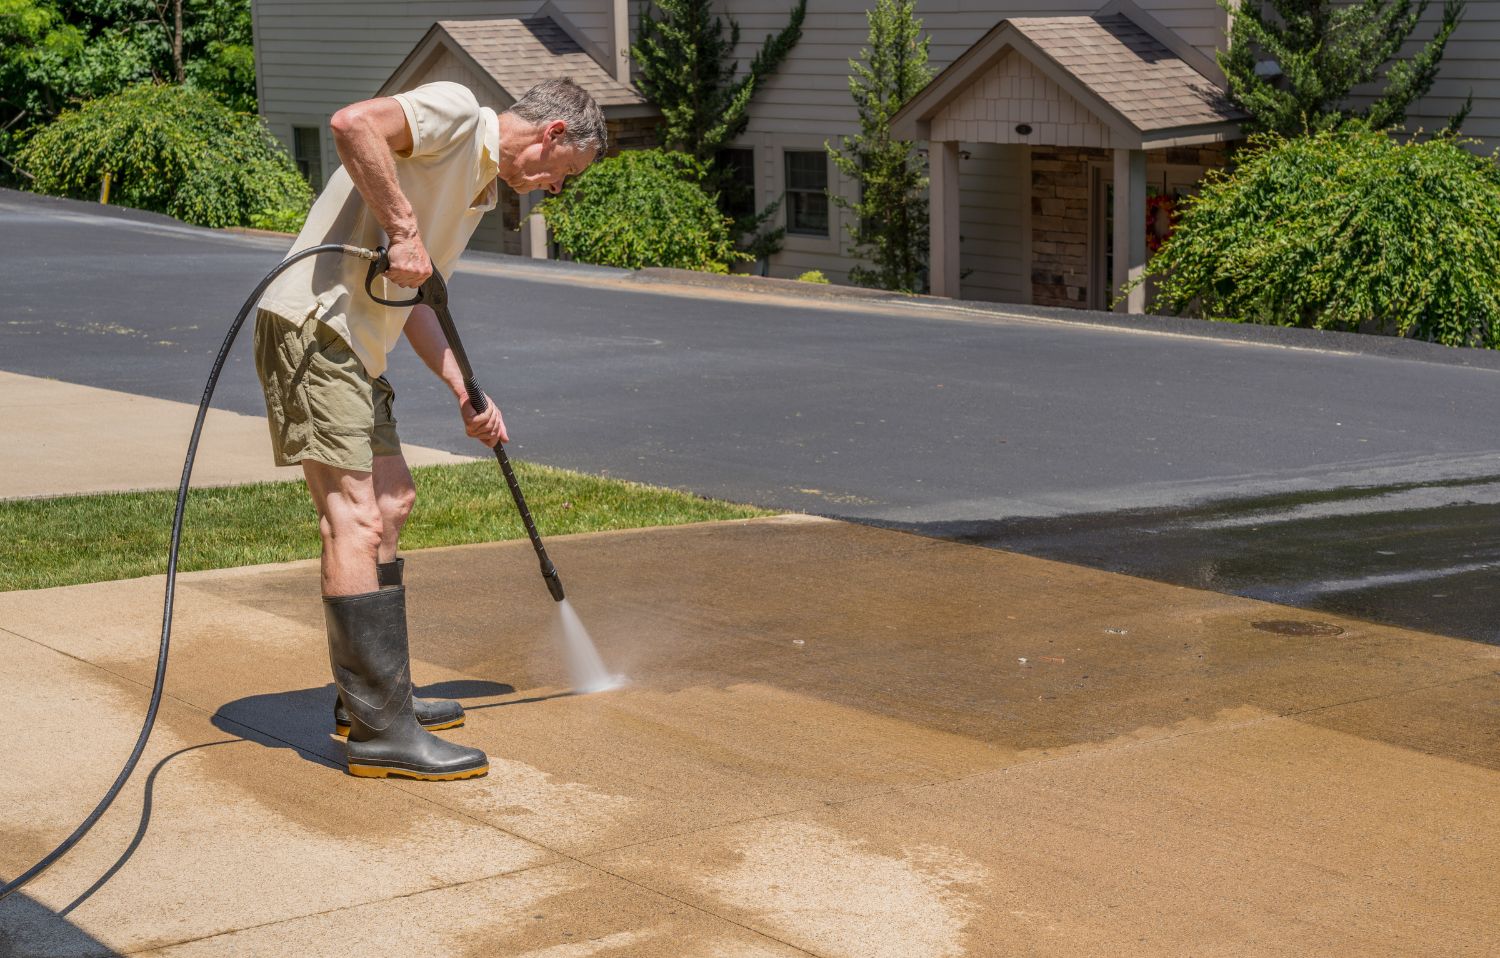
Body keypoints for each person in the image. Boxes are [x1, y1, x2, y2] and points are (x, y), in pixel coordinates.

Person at [253, 78, 606, 781]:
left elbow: (413, 292)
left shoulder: (474, 186)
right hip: (317, 327)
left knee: (391, 504)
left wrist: (464, 391)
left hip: (357, 343)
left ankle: (376, 697)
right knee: (353, 518)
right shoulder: (455, 113)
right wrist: (406, 231)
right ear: (553, 135)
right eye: (561, 175)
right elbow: (352, 122)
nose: (552, 190)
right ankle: (383, 731)